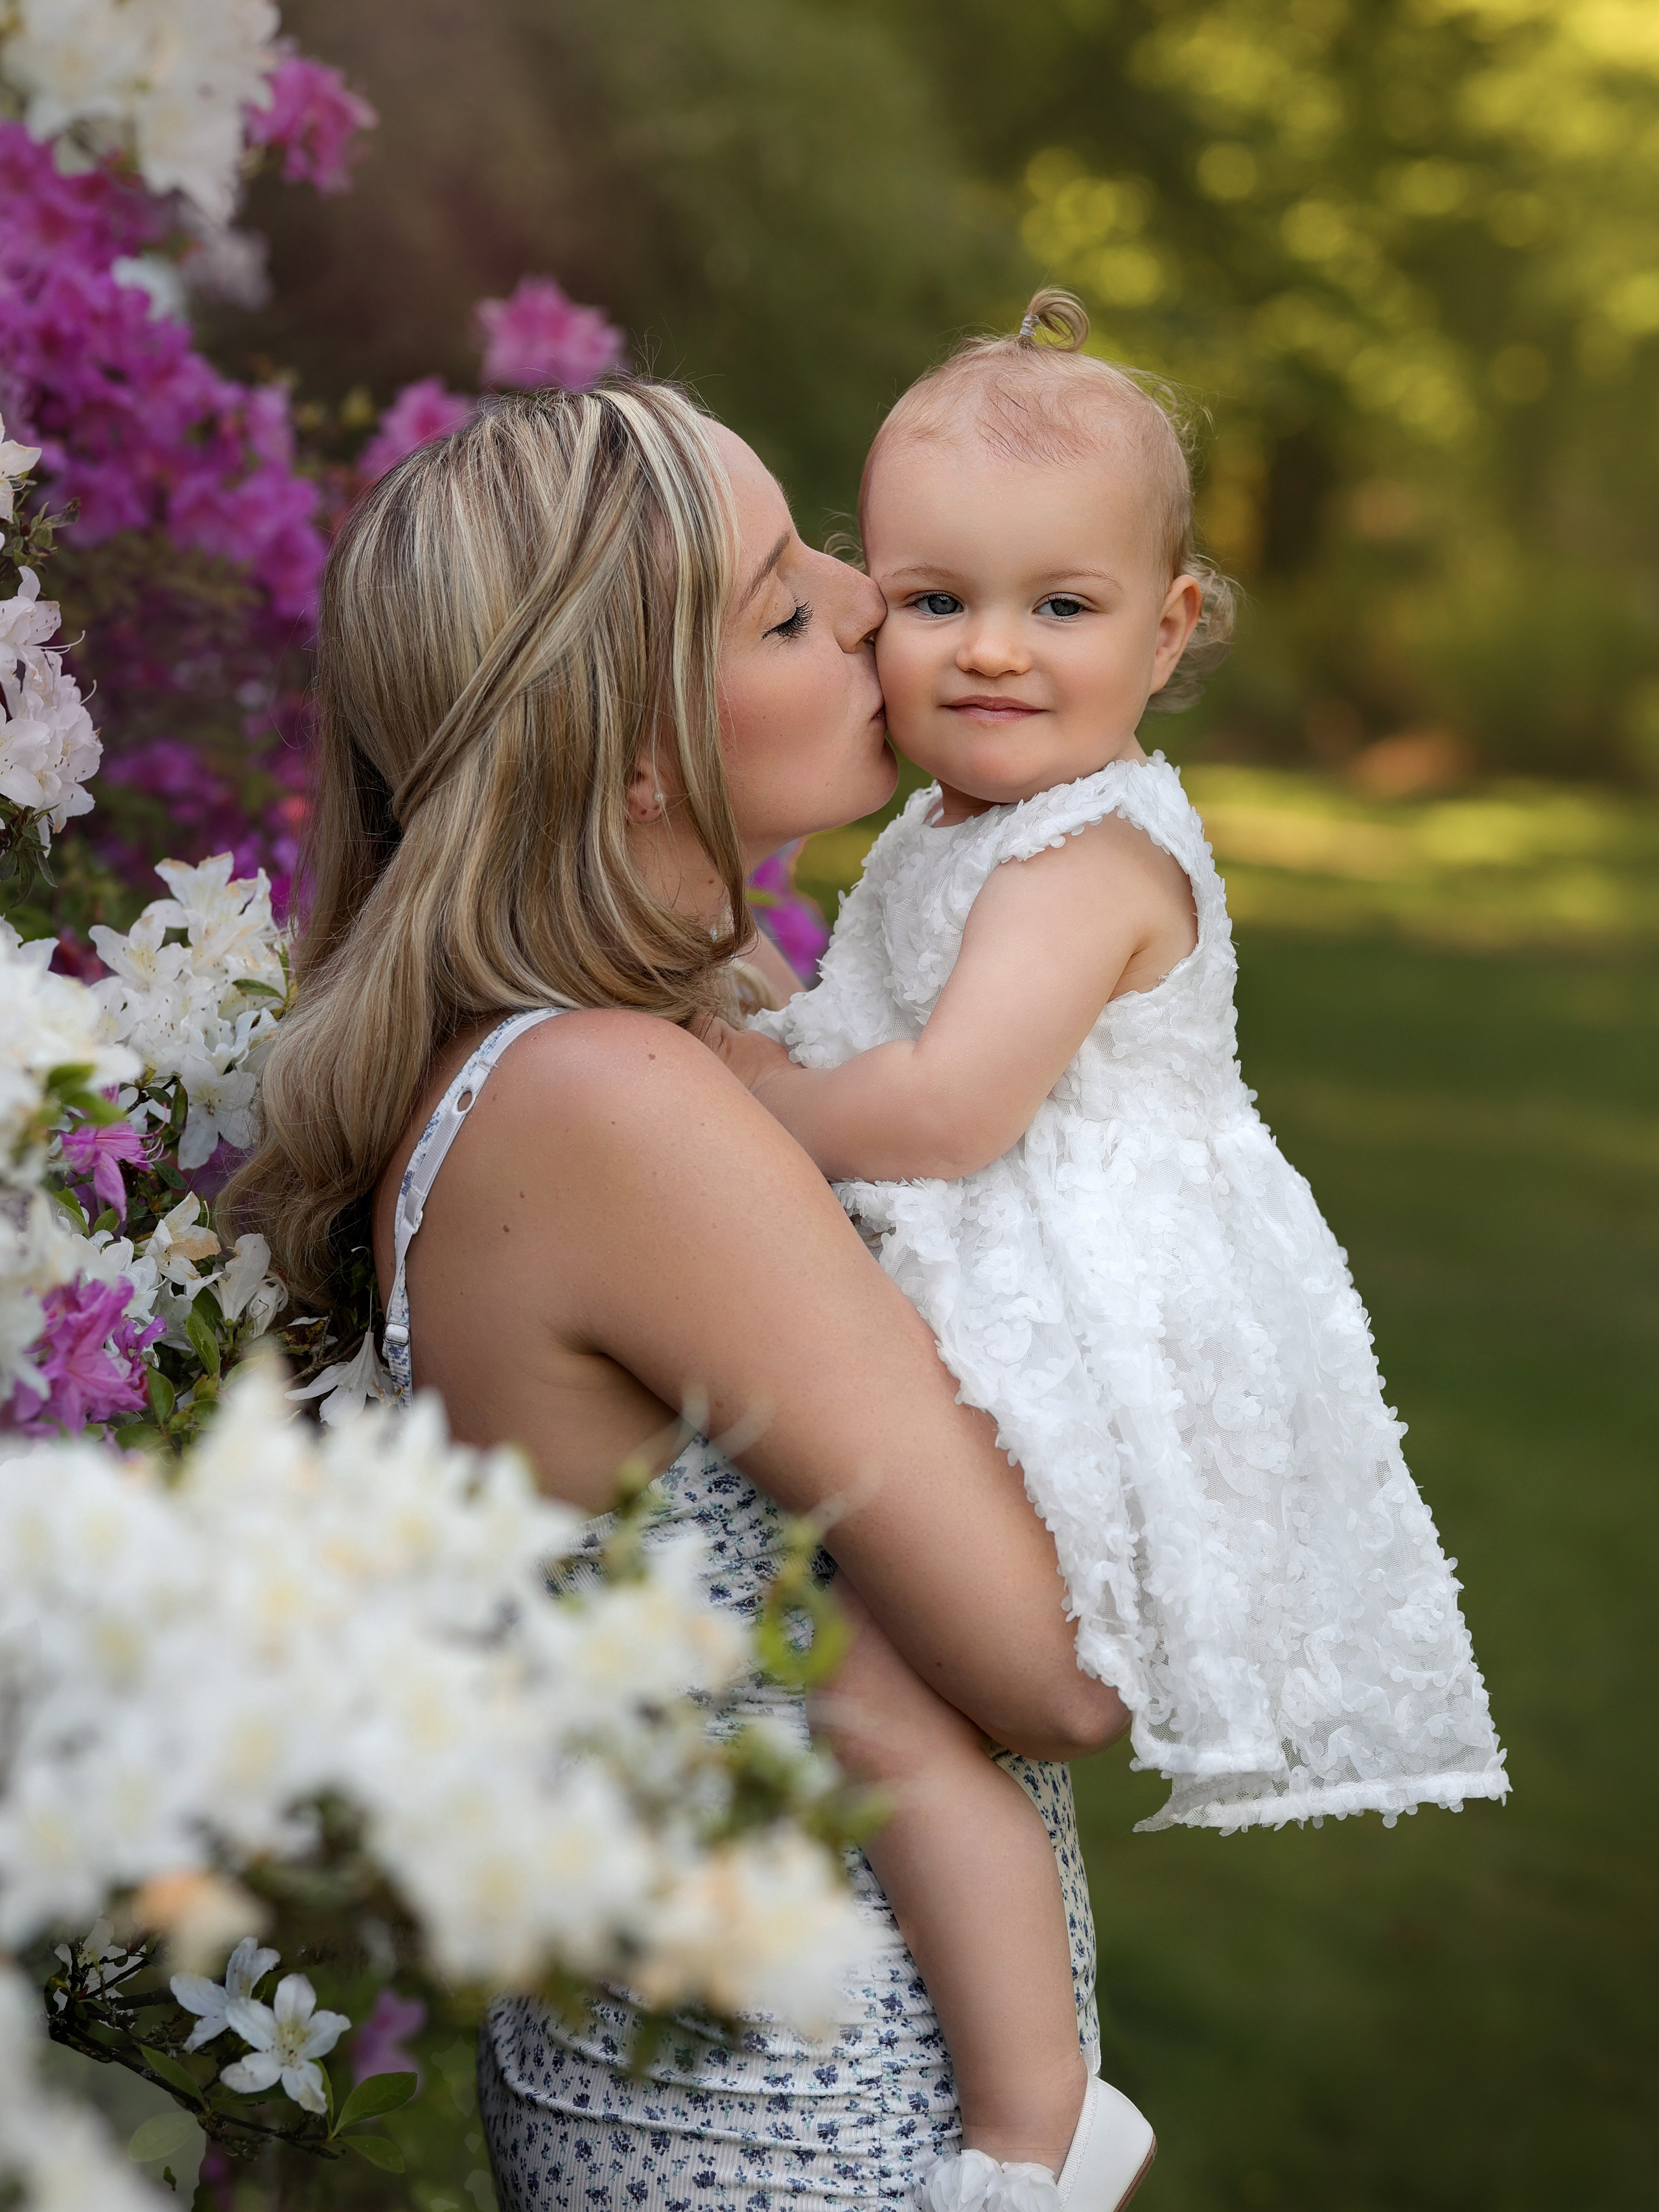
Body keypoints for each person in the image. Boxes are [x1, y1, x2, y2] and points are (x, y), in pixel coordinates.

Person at [239, 377, 1133, 2211]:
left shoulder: (633, 1042)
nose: (873, 600)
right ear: (640, 747)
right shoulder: (610, 1102)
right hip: (795, 2144)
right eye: (790, 607)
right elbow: (1054, 1675)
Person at [713, 290, 1510, 2211]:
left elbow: (938, 1108)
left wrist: (715, 1086)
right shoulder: (961, 822)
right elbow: (869, 1035)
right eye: (932, 600)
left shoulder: (1092, 860)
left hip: (1106, 1347)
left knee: (904, 1697)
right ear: (876, 610)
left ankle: (1036, 2124)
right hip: (1006, 1301)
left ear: (1172, 632)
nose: (989, 650)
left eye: (1060, 608)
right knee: (883, 1686)